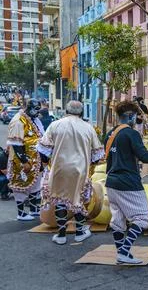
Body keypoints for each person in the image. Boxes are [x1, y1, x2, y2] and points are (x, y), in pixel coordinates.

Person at [104, 101, 148, 264]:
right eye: (136, 115)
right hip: (128, 182)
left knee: (118, 220)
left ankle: (121, 253)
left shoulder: (110, 134)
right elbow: (145, 156)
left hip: (111, 182)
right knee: (142, 218)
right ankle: (124, 251)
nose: (137, 119)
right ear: (130, 116)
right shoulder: (131, 134)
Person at [37, 101, 105, 245]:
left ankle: (61, 235)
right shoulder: (88, 128)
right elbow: (98, 155)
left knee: (60, 200)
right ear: (81, 113)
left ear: (66, 111)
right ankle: (80, 232)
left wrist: (46, 164)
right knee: (78, 200)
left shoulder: (55, 125)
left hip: (59, 169)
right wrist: (89, 165)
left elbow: (44, 150)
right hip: (80, 171)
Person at [6, 99, 44, 221]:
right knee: (20, 186)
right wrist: (24, 161)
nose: (38, 113)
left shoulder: (34, 119)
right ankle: (21, 213)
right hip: (21, 161)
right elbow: (16, 144)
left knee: (35, 185)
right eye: (36, 109)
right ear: (29, 108)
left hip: (35, 160)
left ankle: (33, 209)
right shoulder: (18, 121)